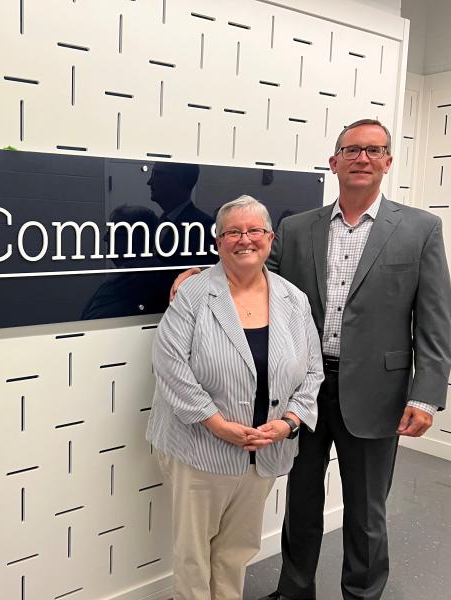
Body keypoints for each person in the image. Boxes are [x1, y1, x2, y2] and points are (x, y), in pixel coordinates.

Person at [170, 119, 451, 600]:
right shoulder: (298, 228)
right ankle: (293, 591)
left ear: (387, 161)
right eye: (351, 150)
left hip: (378, 394)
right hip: (303, 390)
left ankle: (361, 594)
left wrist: (426, 395)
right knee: (300, 501)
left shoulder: (420, 229)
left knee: (366, 510)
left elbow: (434, 319)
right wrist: (199, 273)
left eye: (373, 150)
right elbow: (251, 271)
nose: (361, 158)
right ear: (334, 161)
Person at [148, 195, 323, 600]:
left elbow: (313, 371)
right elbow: (169, 365)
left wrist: (291, 421)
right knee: (193, 554)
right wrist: (215, 423)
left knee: (237, 550)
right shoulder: (194, 294)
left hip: (263, 450)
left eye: (255, 230)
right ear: (218, 241)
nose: (245, 239)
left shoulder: (293, 300)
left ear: (270, 238)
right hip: (199, 446)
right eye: (233, 232)